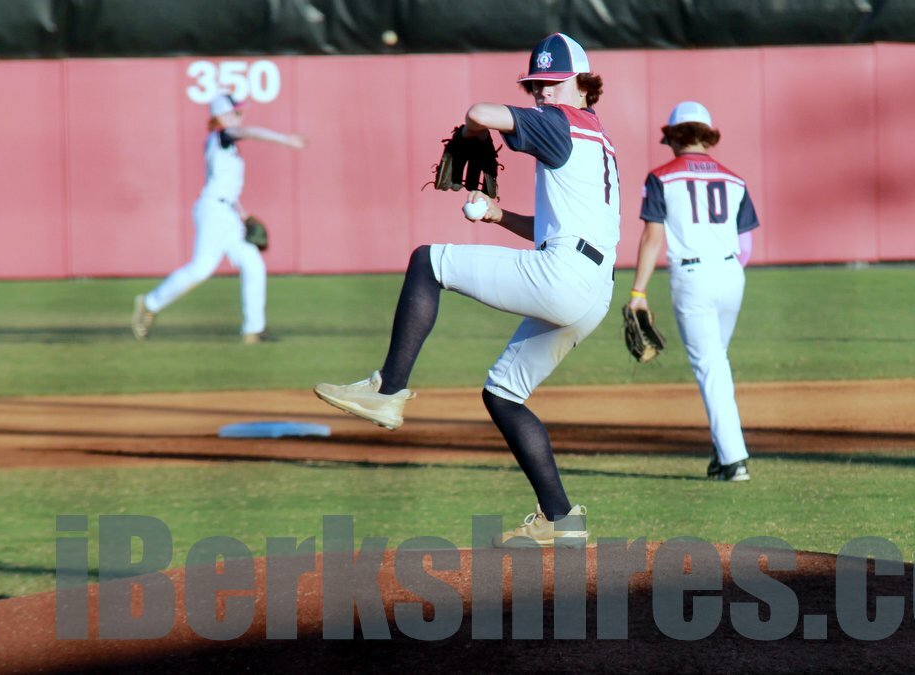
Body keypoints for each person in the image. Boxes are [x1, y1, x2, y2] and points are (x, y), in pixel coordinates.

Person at [314, 33, 618, 547]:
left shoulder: (561, 123)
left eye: (553, 84)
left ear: (584, 86)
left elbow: (479, 108)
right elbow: (553, 228)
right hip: (593, 288)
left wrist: (476, 132)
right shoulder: (597, 137)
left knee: (427, 261)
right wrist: (499, 216)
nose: (542, 93)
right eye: (535, 85)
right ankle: (561, 520)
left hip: (564, 276)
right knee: (503, 394)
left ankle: (387, 390)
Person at [629, 101, 760, 481]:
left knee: (710, 365)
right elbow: (746, 244)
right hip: (732, 274)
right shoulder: (735, 180)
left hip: (693, 278)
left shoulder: (661, 177)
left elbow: (653, 236)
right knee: (716, 360)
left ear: (674, 137)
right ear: (706, 135)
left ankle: (734, 460)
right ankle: (722, 454)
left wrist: (638, 291)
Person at [131, 93, 307, 344]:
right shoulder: (222, 136)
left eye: (240, 112)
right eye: (236, 112)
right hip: (213, 210)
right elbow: (247, 132)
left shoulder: (227, 146)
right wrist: (284, 140)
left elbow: (227, 186)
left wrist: (242, 212)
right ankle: (149, 303)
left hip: (227, 212)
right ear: (222, 115)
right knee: (201, 269)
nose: (241, 115)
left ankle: (253, 331)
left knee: (253, 264)